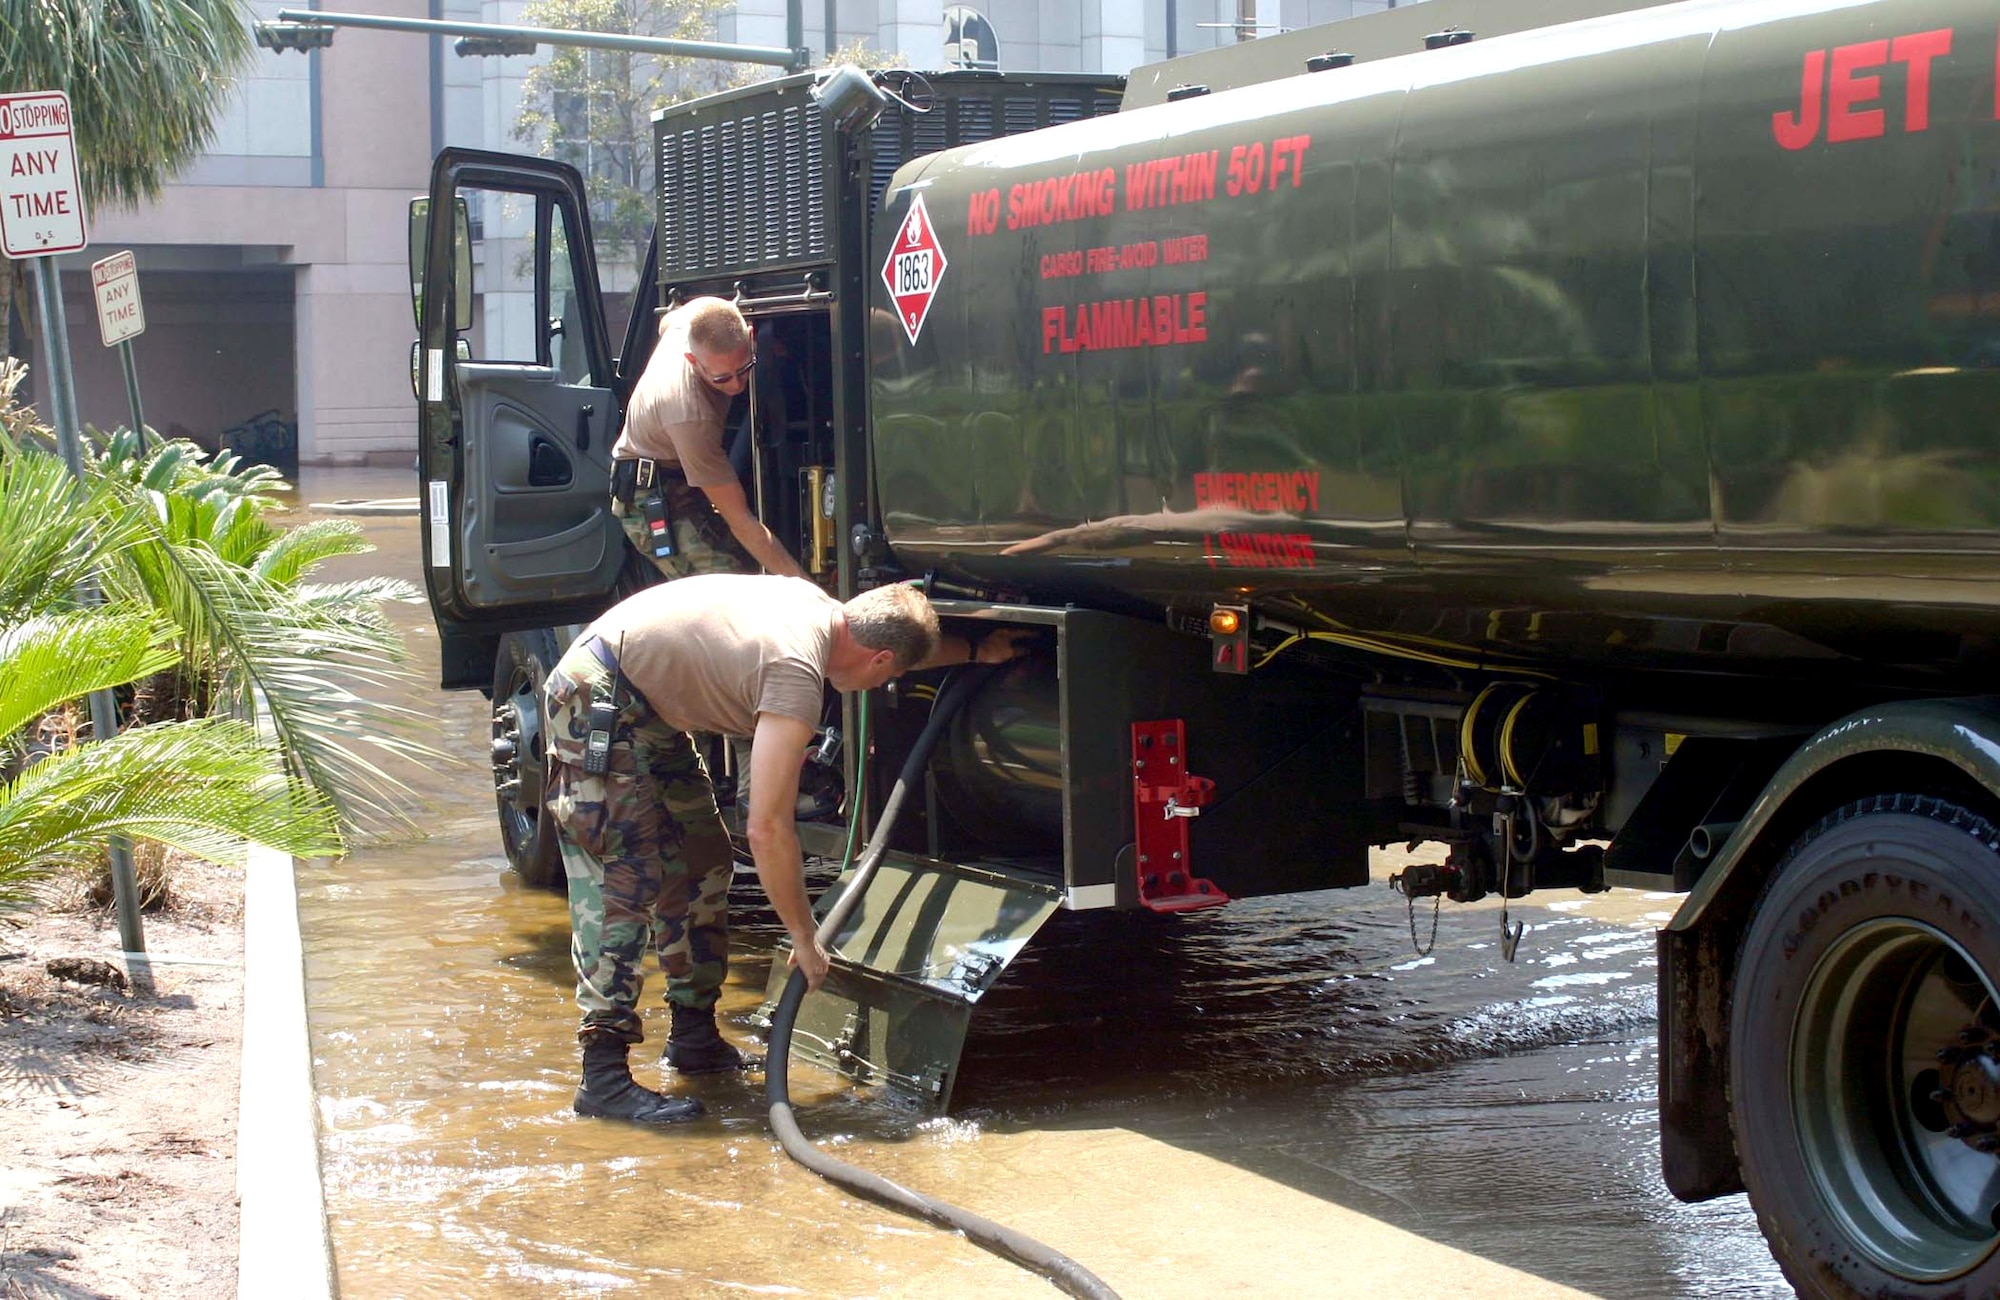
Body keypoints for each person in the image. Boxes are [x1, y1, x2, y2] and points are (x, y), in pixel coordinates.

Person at [544, 574, 1025, 1123]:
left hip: (647, 705)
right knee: (623, 882)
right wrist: (804, 936)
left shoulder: (826, 612)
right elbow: (768, 827)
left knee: (702, 859)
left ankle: (694, 1038)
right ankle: (602, 1076)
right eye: (888, 675)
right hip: (598, 698)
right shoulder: (795, 674)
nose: (878, 687)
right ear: (878, 658)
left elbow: (894, 647)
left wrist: (977, 650)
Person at [611, 296, 806, 581]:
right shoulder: (690, 415)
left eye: (744, 368)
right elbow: (742, 522)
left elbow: (668, 321)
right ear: (692, 360)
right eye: (722, 379)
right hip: (649, 497)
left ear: (751, 337)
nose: (737, 384)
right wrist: (809, 592)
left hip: (677, 475)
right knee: (727, 591)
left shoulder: (691, 321)